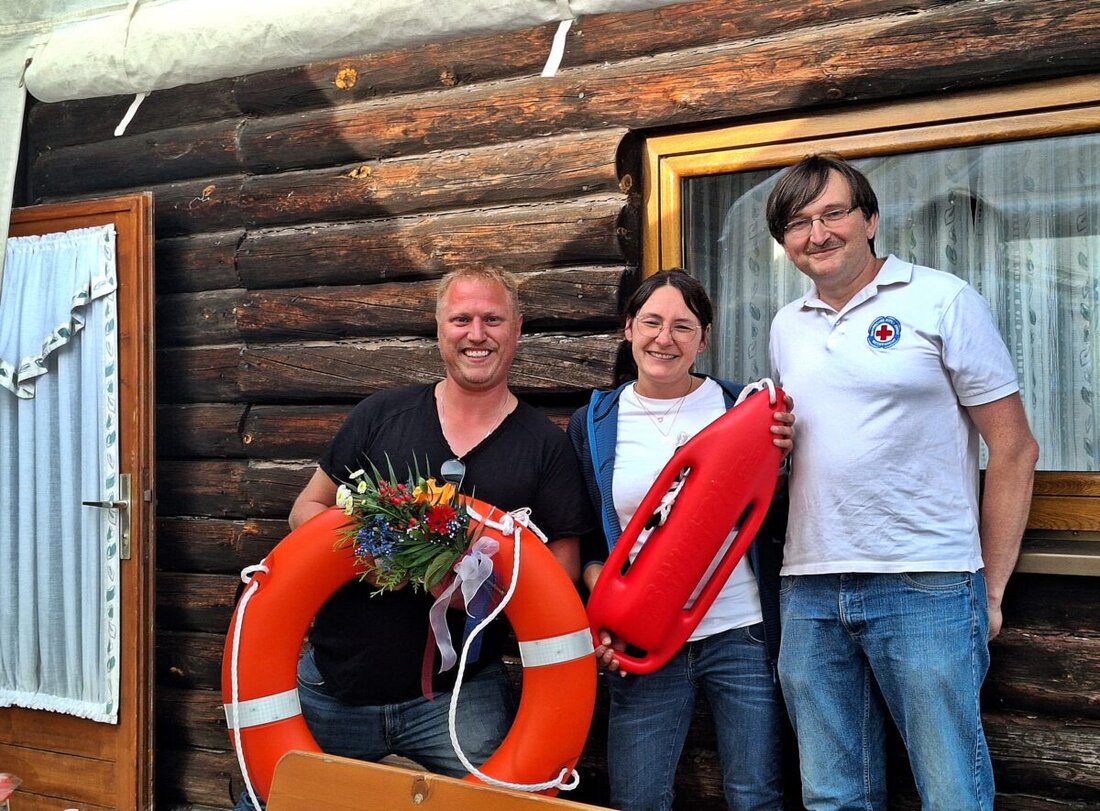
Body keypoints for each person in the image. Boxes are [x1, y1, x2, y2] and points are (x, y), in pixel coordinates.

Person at [234, 267, 593, 809]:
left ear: (517, 329)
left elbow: (561, 571)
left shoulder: (545, 445)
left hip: (460, 697)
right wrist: (379, 556)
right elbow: (305, 509)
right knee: (269, 803)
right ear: (439, 328)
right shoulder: (382, 415)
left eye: (492, 319)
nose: (477, 334)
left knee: (509, 804)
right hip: (336, 687)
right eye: (462, 319)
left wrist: (476, 581)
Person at [765, 154, 1039, 810]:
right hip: (809, 586)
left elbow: (1015, 448)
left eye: (833, 213)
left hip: (928, 580)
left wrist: (991, 588)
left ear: (870, 219)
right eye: (799, 223)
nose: (818, 232)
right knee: (832, 794)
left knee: (951, 792)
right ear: (785, 243)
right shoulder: (785, 326)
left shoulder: (942, 299)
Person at [567, 269, 795, 811]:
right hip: (644, 635)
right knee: (639, 797)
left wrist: (785, 464)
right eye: (651, 322)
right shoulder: (595, 422)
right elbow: (588, 539)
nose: (664, 339)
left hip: (741, 632)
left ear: (704, 337)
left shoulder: (745, 411)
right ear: (628, 329)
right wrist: (608, 612)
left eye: (682, 326)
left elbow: (772, 511)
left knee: (754, 795)